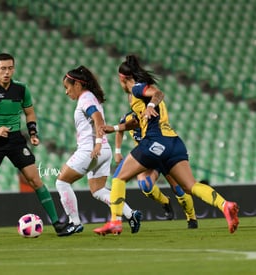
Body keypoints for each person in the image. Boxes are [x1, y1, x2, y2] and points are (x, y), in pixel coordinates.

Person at [94, 54, 239, 235]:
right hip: (174, 142)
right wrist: (115, 128)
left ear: (122, 78)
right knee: (190, 186)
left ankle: (115, 221)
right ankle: (225, 205)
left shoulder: (137, 89)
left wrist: (151, 106)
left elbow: (158, 93)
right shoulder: (135, 98)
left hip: (155, 141)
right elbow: (136, 122)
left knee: (118, 178)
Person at [0, 53, 74, 236]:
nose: (6, 72)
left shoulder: (21, 89)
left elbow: (30, 113)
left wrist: (33, 133)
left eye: (10, 68)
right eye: (3, 68)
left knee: (35, 180)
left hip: (15, 140)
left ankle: (57, 224)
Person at [55, 65, 142, 235]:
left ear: (78, 85)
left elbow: (98, 118)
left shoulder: (85, 99)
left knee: (62, 182)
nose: (66, 92)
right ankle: (131, 214)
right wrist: (101, 145)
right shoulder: (90, 97)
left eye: (67, 87)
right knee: (98, 190)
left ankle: (74, 222)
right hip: (103, 151)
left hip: (91, 149)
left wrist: (97, 144)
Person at [115, 111, 198, 228]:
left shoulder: (154, 115)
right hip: (147, 156)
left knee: (178, 188)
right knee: (146, 186)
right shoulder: (128, 117)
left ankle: (192, 218)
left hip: (164, 154)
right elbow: (120, 129)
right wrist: (117, 151)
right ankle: (165, 202)